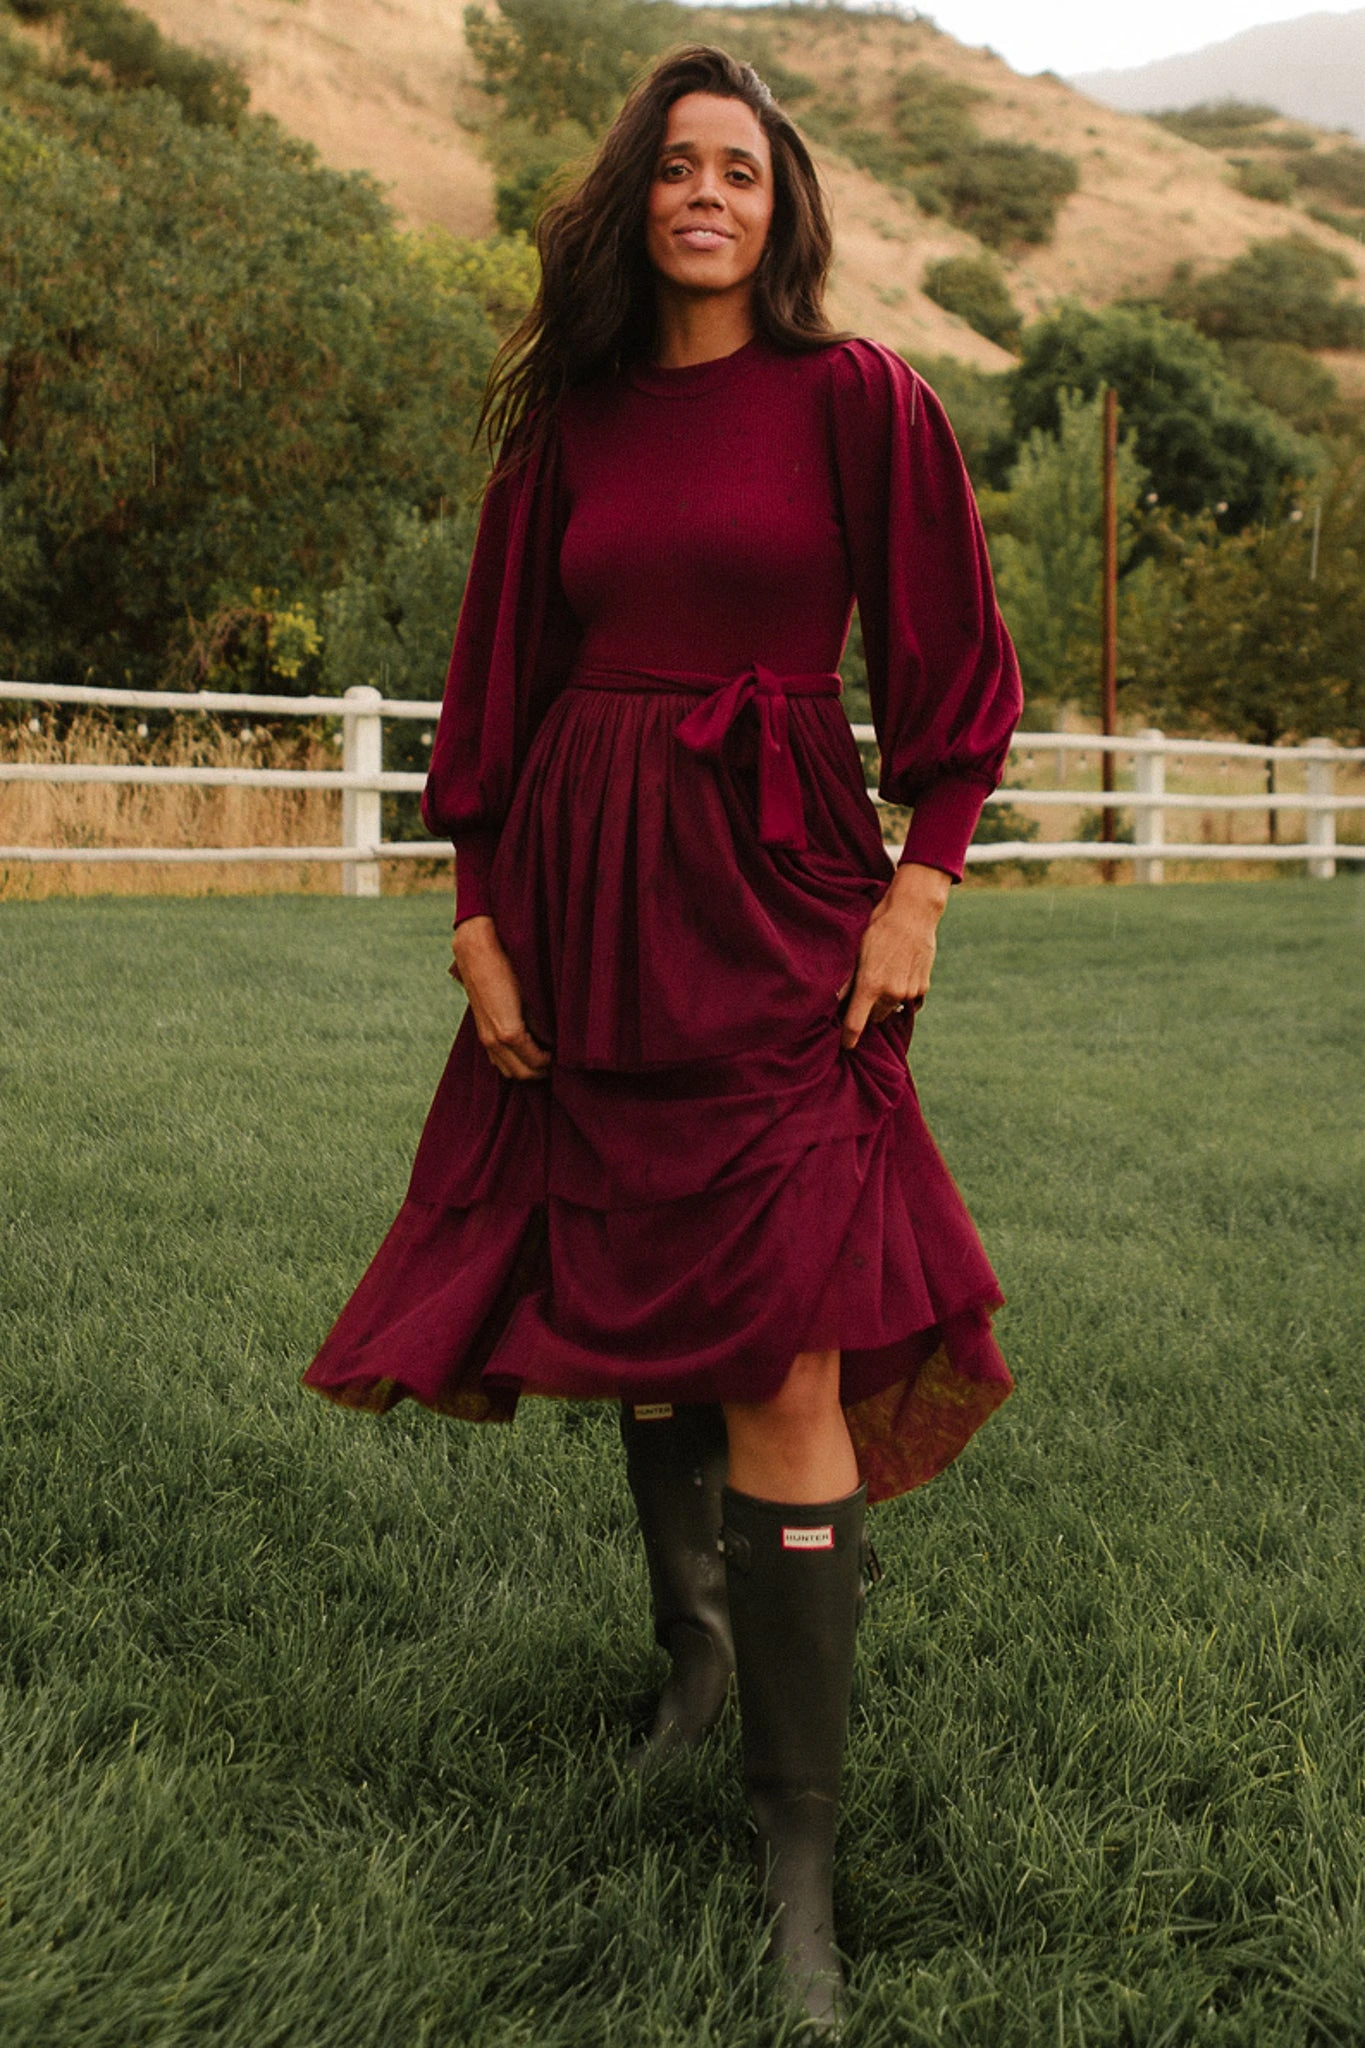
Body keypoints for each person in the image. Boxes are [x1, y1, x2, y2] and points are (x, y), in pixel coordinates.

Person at [303, 42, 1022, 2031]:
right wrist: (477, 913)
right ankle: (698, 1660)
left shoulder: (860, 398)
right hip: (588, 894)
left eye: (741, 169)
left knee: (785, 1333)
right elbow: (499, 676)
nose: (707, 193)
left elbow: (954, 667)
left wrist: (920, 888)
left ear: (782, 209)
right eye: (676, 167)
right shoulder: (572, 424)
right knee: (645, 1295)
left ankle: (797, 1859)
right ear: (633, 201)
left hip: (784, 892)